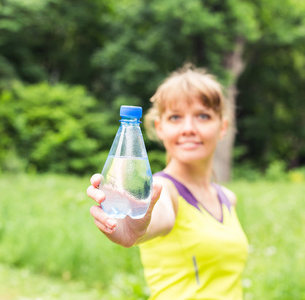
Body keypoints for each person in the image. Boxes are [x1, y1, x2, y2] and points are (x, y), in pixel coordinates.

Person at [87, 64, 249, 300]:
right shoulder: (162, 191)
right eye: (175, 117)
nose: (188, 129)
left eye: (203, 116)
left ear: (222, 127)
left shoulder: (227, 198)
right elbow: (155, 215)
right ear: (159, 127)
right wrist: (136, 228)